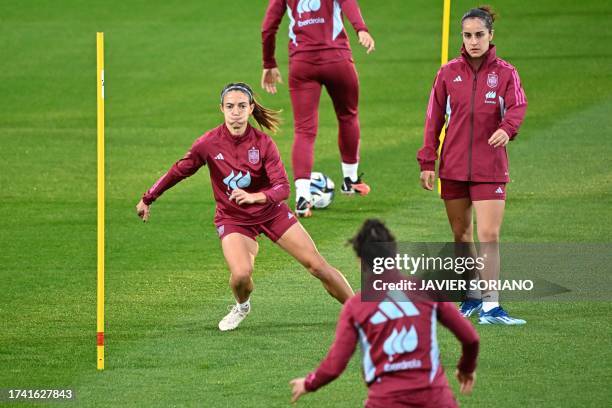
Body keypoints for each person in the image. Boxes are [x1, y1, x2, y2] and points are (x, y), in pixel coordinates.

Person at [136, 82, 354, 331]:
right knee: (240, 275)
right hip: (233, 219)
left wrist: (256, 197)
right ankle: (242, 306)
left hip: (272, 213)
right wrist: (148, 197)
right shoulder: (207, 144)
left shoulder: (263, 144)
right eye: (230, 106)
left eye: (241, 106)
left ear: (251, 109)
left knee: (318, 267)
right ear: (222, 109)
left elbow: (283, 188)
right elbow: (178, 171)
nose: (235, 112)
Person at [289, 219, 480, 407]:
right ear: (394, 253)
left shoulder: (355, 306)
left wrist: (308, 383)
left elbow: (335, 365)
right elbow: (471, 338)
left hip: (386, 400)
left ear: (360, 260)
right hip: (435, 399)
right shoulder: (425, 289)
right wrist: (466, 368)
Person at [417, 6, 527, 324]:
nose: (473, 41)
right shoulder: (447, 73)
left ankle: (492, 307)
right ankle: (471, 297)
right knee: (461, 235)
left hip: (490, 167)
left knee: (489, 234)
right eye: (467, 35)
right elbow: (433, 119)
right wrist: (427, 160)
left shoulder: (506, 73)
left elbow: (518, 105)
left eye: (479, 35)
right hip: (451, 167)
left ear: (491, 36)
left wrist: (507, 129)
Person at [261, 0, 375, 217]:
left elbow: (268, 26)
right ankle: (350, 180)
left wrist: (269, 63)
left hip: (302, 65)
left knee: (304, 131)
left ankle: (303, 197)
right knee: (348, 116)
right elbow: (349, 3)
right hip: (337, 60)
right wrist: (361, 29)